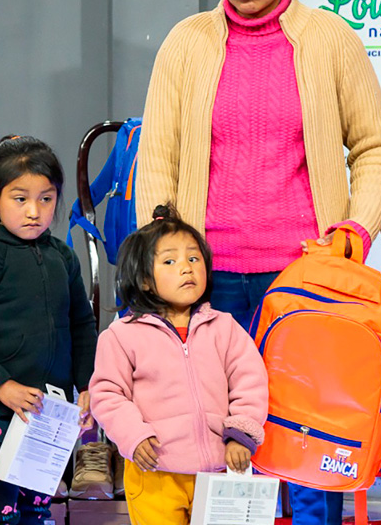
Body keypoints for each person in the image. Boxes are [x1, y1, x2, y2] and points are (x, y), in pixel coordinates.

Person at [135, 0, 381, 522]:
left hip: (304, 281)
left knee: (308, 441)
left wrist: (354, 234)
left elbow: (375, 150)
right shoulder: (186, 43)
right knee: (211, 446)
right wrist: (165, 263)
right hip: (207, 285)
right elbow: (158, 161)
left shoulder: (330, 38)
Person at [0, 136, 99, 525]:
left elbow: (81, 324)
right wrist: (2, 387)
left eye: (46, 198)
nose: (34, 211)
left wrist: (89, 385)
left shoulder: (61, 255)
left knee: (38, 511)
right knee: (1, 513)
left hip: (50, 414)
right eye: (20, 198)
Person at [89, 205, 267, 525]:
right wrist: (134, 436)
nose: (186, 268)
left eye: (194, 258)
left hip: (217, 472)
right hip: (155, 472)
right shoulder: (121, 336)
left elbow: (250, 380)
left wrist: (240, 432)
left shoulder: (224, 327)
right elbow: (107, 394)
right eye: (170, 261)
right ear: (144, 280)